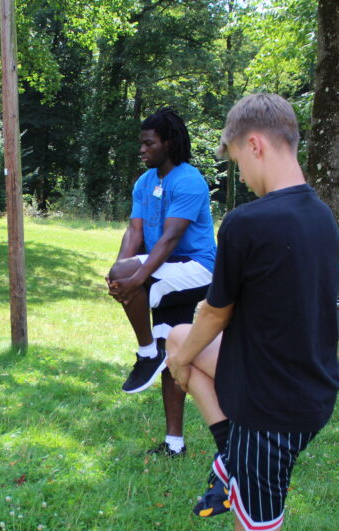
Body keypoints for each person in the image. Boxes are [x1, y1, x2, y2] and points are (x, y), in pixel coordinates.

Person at [165, 93, 339, 531]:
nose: (241, 175)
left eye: (239, 161)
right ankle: (227, 462)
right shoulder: (322, 218)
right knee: (179, 338)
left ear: (256, 144)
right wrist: (183, 352)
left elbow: (217, 313)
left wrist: (178, 365)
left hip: (273, 414)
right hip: (309, 389)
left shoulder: (248, 222)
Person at [106, 107, 222, 457]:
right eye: (141, 143)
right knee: (175, 352)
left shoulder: (188, 180)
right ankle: (174, 443)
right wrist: (118, 272)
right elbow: (135, 231)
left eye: (148, 143)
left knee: (164, 349)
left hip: (197, 269)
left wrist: (134, 278)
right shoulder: (145, 182)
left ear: (168, 143)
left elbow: (171, 238)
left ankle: (147, 352)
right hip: (167, 270)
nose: (142, 149)